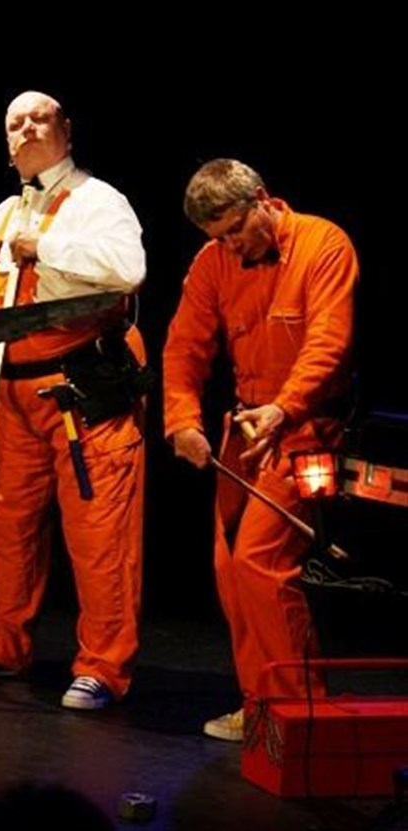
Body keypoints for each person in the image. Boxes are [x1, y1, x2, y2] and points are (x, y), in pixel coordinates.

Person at [0, 90, 149, 709]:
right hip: (12, 390)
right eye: (14, 123)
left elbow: (128, 268)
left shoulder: (99, 200)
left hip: (81, 391)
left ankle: (104, 664)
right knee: (10, 526)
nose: (26, 128)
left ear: (66, 130)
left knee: (99, 532)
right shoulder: (4, 214)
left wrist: (45, 248)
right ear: (6, 145)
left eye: (39, 118)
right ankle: (5, 641)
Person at [163, 158, 358, 741]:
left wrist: (284, 408)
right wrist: (182, 422)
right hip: (249, 427)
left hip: (308, 426)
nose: (231, 247)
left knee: (259, 562)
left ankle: (300, 712)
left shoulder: (324, 244)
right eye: (217, 238)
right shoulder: (213, 262)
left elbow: (328, 343)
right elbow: (183, 348)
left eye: (234, 231)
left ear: (263, 201)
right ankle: (261, 705)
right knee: (230, 567)